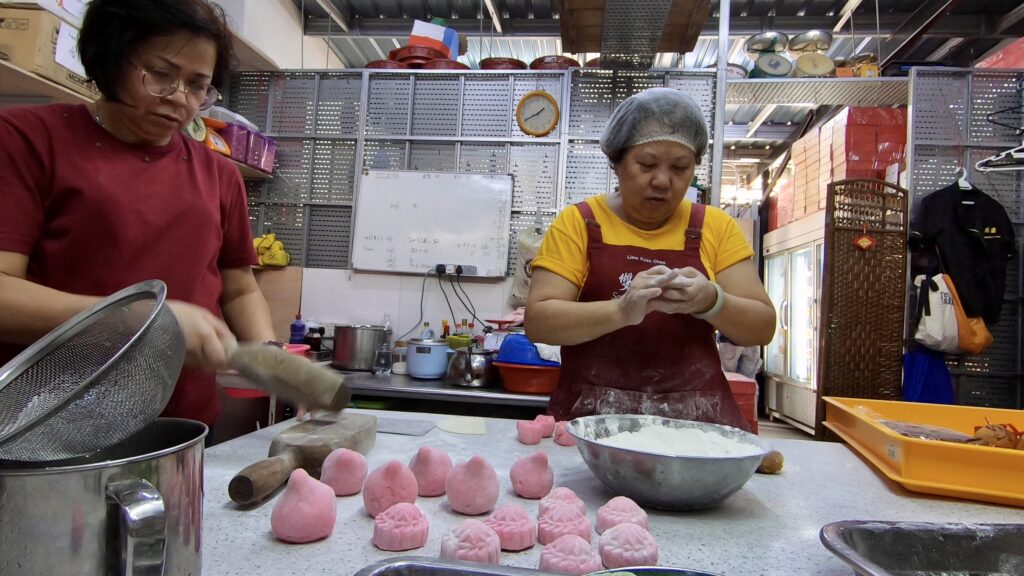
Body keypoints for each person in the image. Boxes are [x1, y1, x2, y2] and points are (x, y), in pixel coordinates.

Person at [0, 0, 275, 428]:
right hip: (49, 425)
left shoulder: (219, 176)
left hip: (182, 425)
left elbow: (239, 289)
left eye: (198, 85)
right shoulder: (26, 140)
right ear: (111, 58)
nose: (181, 99)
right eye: (161, 75)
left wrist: (269, 357)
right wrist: (145, 321)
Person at [525, 87, 775, 431]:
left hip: (695, 427)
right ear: (616, 161)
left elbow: (762, 326)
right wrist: (621, 311)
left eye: (679, 167)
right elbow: (539, 321)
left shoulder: (713, 227)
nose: (662, 180)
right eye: (646, 164)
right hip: (591, 427)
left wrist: (711, 300)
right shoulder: (580, 223)